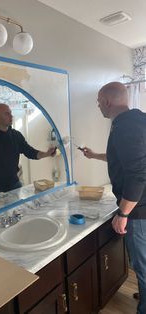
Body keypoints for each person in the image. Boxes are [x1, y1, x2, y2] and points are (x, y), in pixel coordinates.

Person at [82, 82, 146, 314]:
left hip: (139, 209)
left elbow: (138, 173)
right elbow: (122, 158)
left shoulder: (124, 127)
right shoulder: (137, 119)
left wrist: (123, 213)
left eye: (99, 100)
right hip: (141, 204)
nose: (98, 104)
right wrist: (94, 156)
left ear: (108, 101)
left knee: (142, 264)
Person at [0, 103, 56, 199]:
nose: (11, 116)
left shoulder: (16, 136)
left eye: (10, 113)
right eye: (7, 114)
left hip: (15, 185)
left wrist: (47, 154)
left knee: (18, 213)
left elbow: (30, 152)